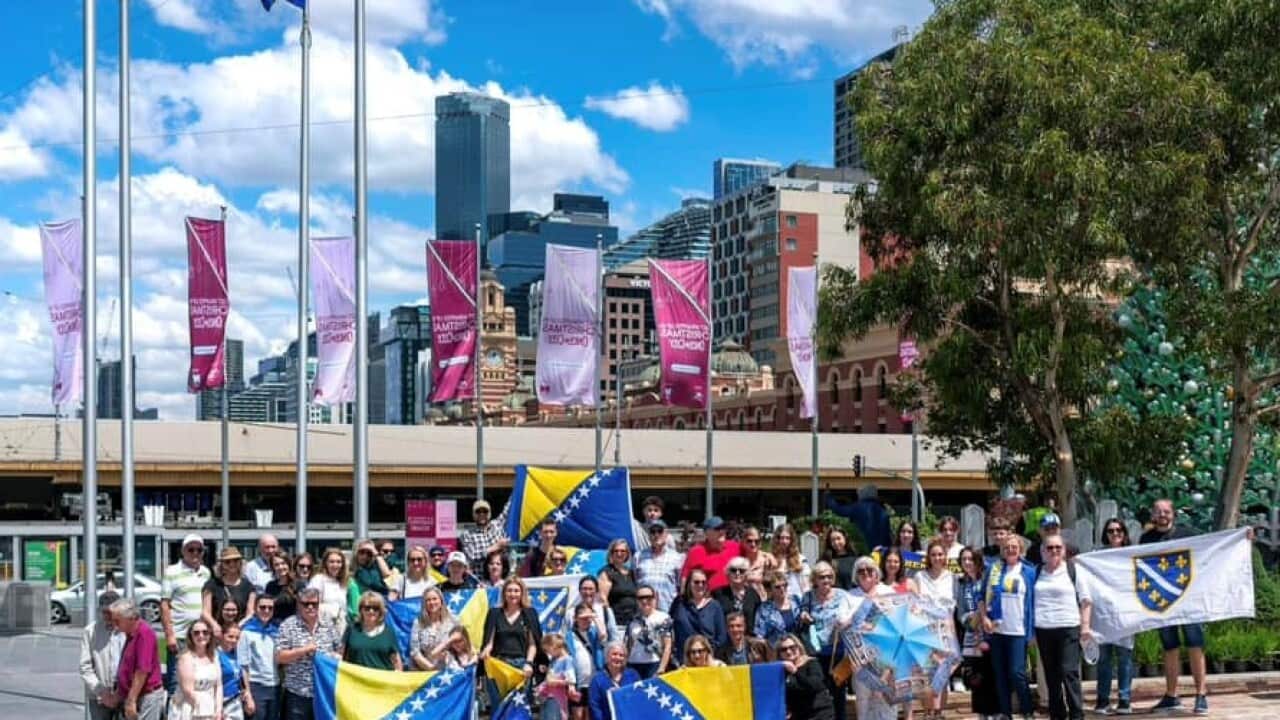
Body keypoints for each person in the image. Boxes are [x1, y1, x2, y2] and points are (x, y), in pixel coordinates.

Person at [1136, 499, 1205, 714]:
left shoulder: (1188, 533)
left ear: (1173, 514)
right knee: (1170, 647)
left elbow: (1213, 546)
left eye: (1166, 511)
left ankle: (1200, 694)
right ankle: (1171, 694)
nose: (1162, 515)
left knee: (1195, 644)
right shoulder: (1146, 539)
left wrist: (1243, 537)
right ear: (1153, 515)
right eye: (1158, 511)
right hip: (1163, 600)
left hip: (1188, 599)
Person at [978, 534, 1037, 720]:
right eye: (1007, 546)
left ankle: (1027, 710)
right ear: (1002, 550)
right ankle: (1005, 712)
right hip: (997, 630)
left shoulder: (1028, 571)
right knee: (1000, 674)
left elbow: (1035, 601)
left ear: (1020, 549)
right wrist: (984, 618)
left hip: (1018, 630)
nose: (1011, 549)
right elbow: (982, 597)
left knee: (1017, 672)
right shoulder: (994, 569)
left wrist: (1033, 630)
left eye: (1014, 546)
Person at [1034, 534, 1087, 720]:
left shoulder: (1073, 570)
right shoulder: (1036, 571)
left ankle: (1077, 713)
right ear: (1042, 551)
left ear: (1064, 550)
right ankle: (1057, 715)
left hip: (1068, 627)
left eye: (1058, 547)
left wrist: (1085, 627)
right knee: (1052, 675)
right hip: (1043, 628)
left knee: (1069, 672)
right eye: (1049, 548)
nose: (1054, 551)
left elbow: (1086, 600)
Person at [798, 561, 855, 720]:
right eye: (822, 577)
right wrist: (804, 616)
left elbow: (853, 615)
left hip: (838, 652)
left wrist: (845, 622)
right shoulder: (808, 596)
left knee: (839, 694)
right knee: (819, 692)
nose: (826, 580)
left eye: (830, 576)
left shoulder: (842, 595)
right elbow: (801, 614)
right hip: (815, 653)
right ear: (814, 579)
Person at [275, 587, 342, 720]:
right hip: (297, 694)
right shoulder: (287, 626)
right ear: (298, 604)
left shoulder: (329, 625)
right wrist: (303, 650)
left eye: (314, 604)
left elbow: (339, 650)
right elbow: (279, 657)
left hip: (324, 693)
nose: (310, 607)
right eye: (306, 604)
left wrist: (335, 657)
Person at [847, 557, 899, 720]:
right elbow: (844, 627)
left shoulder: (888, 593)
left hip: (885, 658)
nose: (866, 573)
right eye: (861, 571)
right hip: (859, 660)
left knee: (886, 705)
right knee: (864, 705)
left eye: (869, 569)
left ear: (877, 573)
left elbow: (899, 627)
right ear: (856, 575)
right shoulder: (850, 596)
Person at [1092, 518, 1134, 715]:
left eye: (1119, 530)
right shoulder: (1097, 556)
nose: (1115, 534)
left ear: (1124, 533)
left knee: (1124, 658)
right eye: (1111, 531)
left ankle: (1125, 699)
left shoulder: (1132, 555)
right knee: (1104, 659)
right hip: (1103, 615)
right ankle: (1103, 699)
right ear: (1105, 534)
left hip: (1125, 613)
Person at [480, 577, 542, 709]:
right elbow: (489, 642)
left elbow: (532, 644)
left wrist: (529, 663)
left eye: (516, 591)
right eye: (509, 591)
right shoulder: (494, 613)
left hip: (521, 668)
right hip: (499, 667)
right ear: (504, 593)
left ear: (522, 593)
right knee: (499, 707)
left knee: (519, 708)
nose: (512, 594)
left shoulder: (530, 613)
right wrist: (486, 652)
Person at [163, 534, 212, 693]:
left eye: (199, 550)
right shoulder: (171, 571)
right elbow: (165, 604)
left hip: (201, 636)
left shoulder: (206, 573)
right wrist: (170, 635)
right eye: (191, 549)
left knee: (199, 680)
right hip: (180, 636)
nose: (195, 553)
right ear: (183, 551)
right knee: (176, 682)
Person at [956, 547, 998, 720]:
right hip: (971, 635)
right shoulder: (962, 583)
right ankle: (981, 714)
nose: (967, 563)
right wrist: (971, 620)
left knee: (992, 674)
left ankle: (996, 713)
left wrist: (984, 618)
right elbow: (960, 611)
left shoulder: (987, 579)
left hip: (990, 633)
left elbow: (995, 602)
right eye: (964, 559)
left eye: (971, 559)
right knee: (976, 677)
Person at [167, 620, 223, 720]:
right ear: (191, 636)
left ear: (210, 635)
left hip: (209, 707)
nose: (201, 636)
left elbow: (218, 685)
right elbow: (188, 691)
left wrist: (218, 709)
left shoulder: (214, 656)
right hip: (189, 708)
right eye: (196, 633)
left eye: (205, 632)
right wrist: (206, 711)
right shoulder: (185, 658)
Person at [81, 590, 124, 720]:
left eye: (110, 612)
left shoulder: (127, 630)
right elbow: (85, 667)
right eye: (103, 612)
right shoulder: (90, 631)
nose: (106, 616)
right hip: (99, 695)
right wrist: (101, 691)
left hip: (123, 693)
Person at [238, 595, 281, 720]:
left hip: (274, 685)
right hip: (256, 686)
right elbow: (243, 664)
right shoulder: (246, 632)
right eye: (262, 607)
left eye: (270, 608)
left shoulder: (276, 632)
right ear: (256, 609)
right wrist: (247, 693)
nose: (266, 611)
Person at [671, 567, 727, 662]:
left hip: (707, 660)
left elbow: (721, 637)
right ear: (689, 584)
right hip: (683, 660)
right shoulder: (679, 603)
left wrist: (708, 654)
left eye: (703, 582)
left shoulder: (714, 606)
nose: (700, 585)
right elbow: (671, 628)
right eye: (696, 582)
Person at [340, 591, 402, 671]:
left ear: (380, 611)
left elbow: (397, 663)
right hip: (356, 680)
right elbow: (341, 655)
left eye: (375, 608)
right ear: (361, 610)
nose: (371, 611)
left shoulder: (389, 632)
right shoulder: (352, 628)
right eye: (367, 608)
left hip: (382, 681)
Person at [204, 547, 256, 640]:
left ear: (240, 562)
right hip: (217, 633)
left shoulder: (249, 586)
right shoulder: (211, 584)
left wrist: (237, 627)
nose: (232, 564)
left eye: (235, 561)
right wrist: (215, 625)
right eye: (227, 562)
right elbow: (205, 612)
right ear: (222, 564)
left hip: (240, 633)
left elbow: (250, 613)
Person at [779, 633, 835, 720]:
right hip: (799, 715)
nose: (788, 651)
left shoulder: (811, 663)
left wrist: (795, 671)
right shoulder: (782, 670)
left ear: (798, 647)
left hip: (819, 713)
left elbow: (814, 685)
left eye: (792, 647)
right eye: (784, 649)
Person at [633, 519, 685, 613]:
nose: (656, 535)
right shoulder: (638, 556)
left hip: (668, 611)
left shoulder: (677, 558)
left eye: (659, 531)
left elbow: (680, 586)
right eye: (653, 532)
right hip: (644, 612)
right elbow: (635, 582)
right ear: (649, 535)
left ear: (666, 534)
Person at [624, 584, 673, 678]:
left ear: (655, 598)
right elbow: (628, 645)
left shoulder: (663, 618)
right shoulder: (632, 619)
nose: (645, 601)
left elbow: (667, 646)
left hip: (654, 663)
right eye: (641, 598)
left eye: (648, 597)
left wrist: (661, 668)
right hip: (634, 663)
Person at [681, 516, 742, 592]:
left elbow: (753, 554)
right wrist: (683, 598)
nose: (722, 531)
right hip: (708, 599)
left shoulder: (735, 547)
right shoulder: (697, 551)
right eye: (717, 529)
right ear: (707, 533)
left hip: (732, 598)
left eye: (723, 528)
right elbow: (685, 578)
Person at [566, 603, 605, 720]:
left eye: (589, 618)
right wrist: (571, 684)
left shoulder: (594, 632)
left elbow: (603, 633)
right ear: (575, 618)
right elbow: (567, 660)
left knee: (590, 715)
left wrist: (594, 616)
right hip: (578, 682)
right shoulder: (569, 635)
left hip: (594, 681)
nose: (586, 620)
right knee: (577, 715)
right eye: (583, 618)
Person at [825, 484, 891, 550]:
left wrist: (828, 496)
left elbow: (838, 509)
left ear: (861, 495)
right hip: (883, 548)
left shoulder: (858, 507)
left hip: (866, 547)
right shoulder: (883, 509)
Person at [588, 641, 640, 720]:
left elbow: (639, 698)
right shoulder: (597, 679)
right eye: (614, 654)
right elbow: (595, 706)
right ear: (607, 656)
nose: (618, 657)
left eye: (621, 655)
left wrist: (622, 694)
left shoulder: (633, 675)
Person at [713, 556, 763, 634]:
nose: (737, 573)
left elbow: (759, 620)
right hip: (725, 640)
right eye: (733, 570)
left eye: (741, 571)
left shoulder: (753, 594)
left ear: (747, 574)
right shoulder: (718, 594)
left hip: (749, 639)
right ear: (728, 573)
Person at [308, 548, 354, 632]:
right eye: (331, 562)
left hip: (341, 627)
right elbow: (310, 605)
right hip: (322, 627)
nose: (335, 565)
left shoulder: (343, 582)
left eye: (338, 562)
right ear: (325, 563)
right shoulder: (318, 579)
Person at [410, 587, 455, 671]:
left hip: (450, 669)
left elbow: (462, 643)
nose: (432, 602)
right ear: (424, 604)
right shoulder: (418, 622)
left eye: (435, 599)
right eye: (428, 600)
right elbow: (415, 652)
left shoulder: (453, 620)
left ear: (441, 601)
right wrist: (431, 668)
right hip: (426, 671)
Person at [460, 499, 509, 576]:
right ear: (474, 515)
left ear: (489, 514)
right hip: (480, 581)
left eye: (485, 511)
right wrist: (496, 546)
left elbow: (508, 508)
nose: (482, 514)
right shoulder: (467, 535)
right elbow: (472, 556)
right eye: (478, 512)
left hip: (501, 579)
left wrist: (518, 488)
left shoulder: (497, 525)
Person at [598, 539, 639, 627]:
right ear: (611, 553)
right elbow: (602, 599)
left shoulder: (631, 573)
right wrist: (610, 621)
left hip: (633, 620)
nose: (619, 554)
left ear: (627, 553)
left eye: (622, 551)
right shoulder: (606, 572)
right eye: (616, 551)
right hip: (616, 621)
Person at [537, 633, 577, 720]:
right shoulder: (554, 660)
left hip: (557, 697)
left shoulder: (567, 660)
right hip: (548, 695)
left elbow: (570, 678)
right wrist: (546, 669)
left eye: (548, 650)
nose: (548, 653)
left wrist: (558, 682)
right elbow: (554, 672)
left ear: (554, 647)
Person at [755, 569, 800, 645]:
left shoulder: (796, 601)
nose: (782, 589)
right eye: (777, 587)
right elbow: (760, 635)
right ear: (770, 589)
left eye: (784, 585)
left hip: (798, 646)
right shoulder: (764, 609)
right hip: (777, 649)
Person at [771, 523, 811, 598]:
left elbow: (806, 586)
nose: (784, 541)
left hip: (797, 601)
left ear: (792, 540)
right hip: (777, 601)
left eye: (787, 538)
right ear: (777, 539)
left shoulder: (801, 559)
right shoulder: (771, 559)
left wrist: (806, 604)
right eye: (782, 538)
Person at [219, 625, 250, 720]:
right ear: (222, 636)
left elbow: (238, 676)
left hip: (236, 702)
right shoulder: (215, 655)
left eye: (237, 638)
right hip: (222, 702)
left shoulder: (236, 655)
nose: (234, 640)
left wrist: (246, 692)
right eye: (230, 636)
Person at [578, 576, 620, 642]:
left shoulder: (606, 611)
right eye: (584, 589)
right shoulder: (570, 612)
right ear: (579, 591)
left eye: (591, 589)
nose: (587, 592)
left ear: (597, 591)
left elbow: (614, 636)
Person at [265, 553, 303, 622]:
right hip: (274, 624)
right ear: (273, 567)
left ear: (288, 564)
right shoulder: (270, 586)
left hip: (293, 624)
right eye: (276, 565)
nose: (280, 567)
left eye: (283, 563)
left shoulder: (298, 585)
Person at [739, 525, 777, 594]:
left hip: (763, 599)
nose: (753, 544)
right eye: (749, 541)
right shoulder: (739, 562)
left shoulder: (767, 560)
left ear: (760, 543)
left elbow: (774, 582)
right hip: (745, 600)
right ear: (743, 542)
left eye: (756, 541)